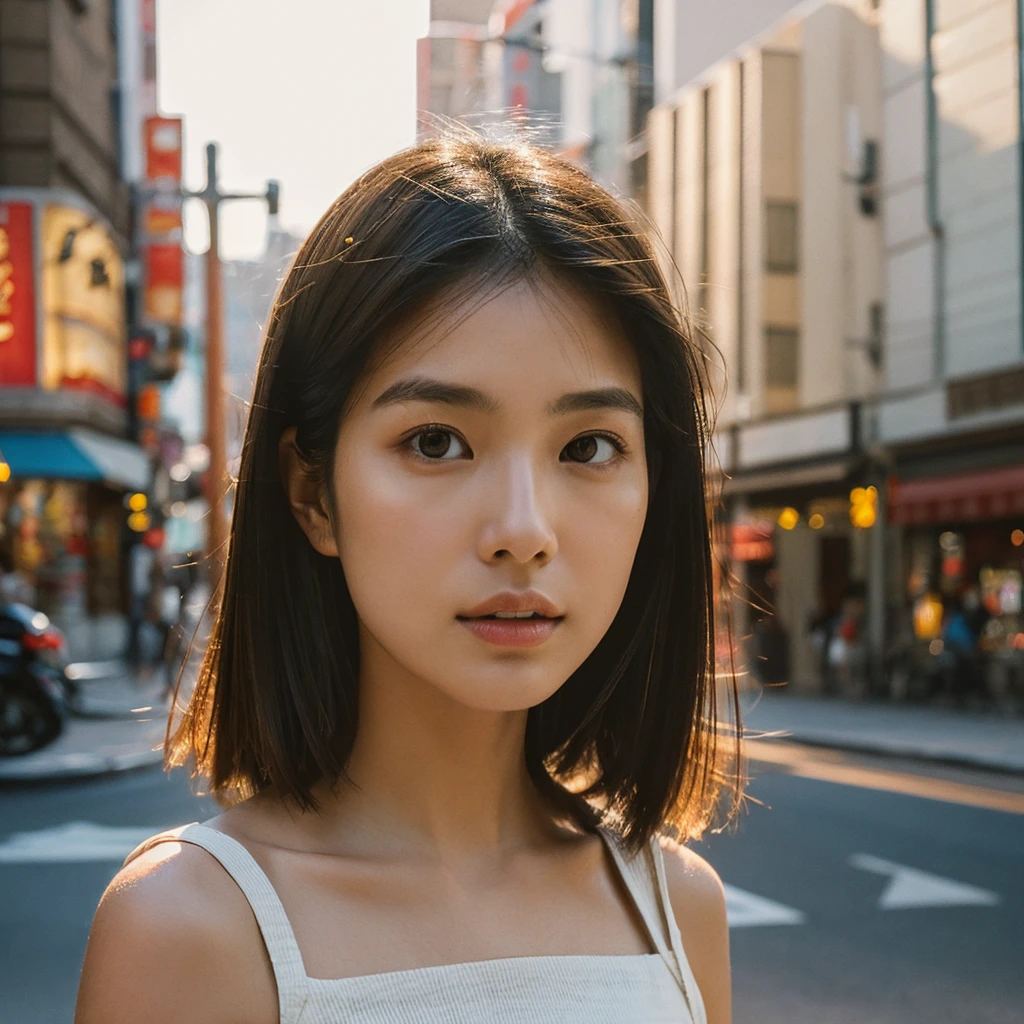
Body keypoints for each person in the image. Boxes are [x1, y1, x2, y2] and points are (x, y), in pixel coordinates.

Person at [74, 131, 739, 1024]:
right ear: (313, 493)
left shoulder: (677, 909)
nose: (523, 532)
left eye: (588, 447)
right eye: (436, 442)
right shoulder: (191, 931)